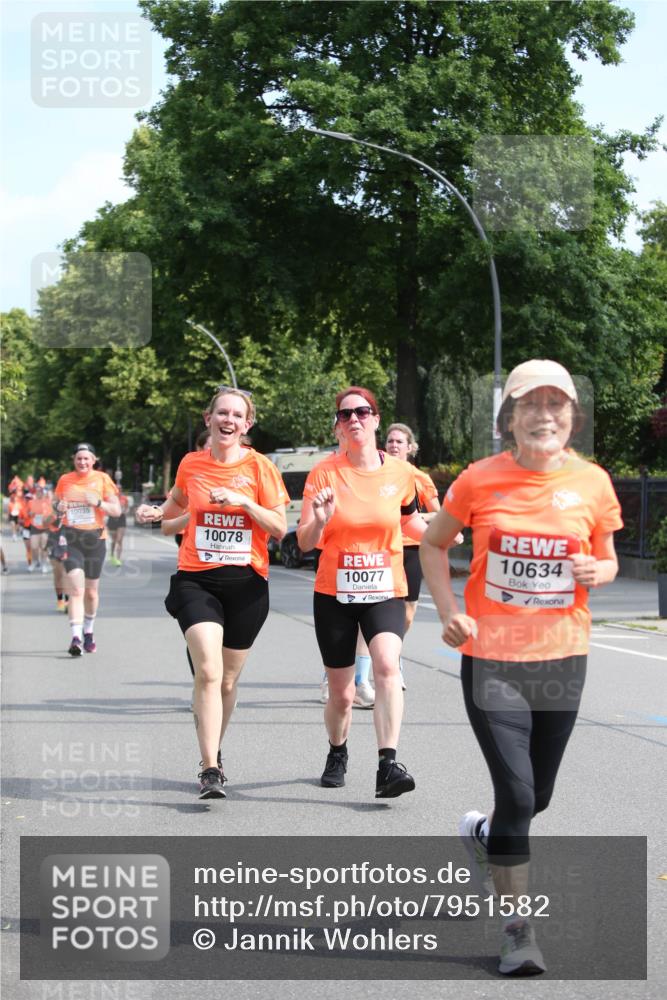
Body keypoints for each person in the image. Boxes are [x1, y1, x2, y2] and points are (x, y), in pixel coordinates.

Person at [420, 359, 622, 976]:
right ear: (509, 418)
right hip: (492, 660)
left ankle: (486, 836)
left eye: (555, 404)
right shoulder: (479, 480)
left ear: (572, 417)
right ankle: (517, 931)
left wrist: (597, 571)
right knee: (516, 793)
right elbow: (432, 543)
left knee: (539, 797)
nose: (543, 415)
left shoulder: (592, 483)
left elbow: (609, 558)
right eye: (529, 404)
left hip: (562, 656)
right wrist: (449, 612)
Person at [136, 388, 288, 799]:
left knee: (227, 681)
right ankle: (209, 768)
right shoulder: (191, 463)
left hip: (247, 585)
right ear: (209, 418)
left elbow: (279, 527)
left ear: (247, 424)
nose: (228, 420)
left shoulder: (260, 468)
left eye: (237, 415)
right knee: (208, 670)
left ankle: (214, 747)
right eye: (222, 412)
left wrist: (243, 502)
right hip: (196, 580)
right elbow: (175, 506)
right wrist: (156, 513)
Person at [298, 386, 429, 799]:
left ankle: (388, 765)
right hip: (334, 592)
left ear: (375, 419)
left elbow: (409, 521)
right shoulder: (324, 473)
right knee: (342, 694)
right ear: (338, 425)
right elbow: (304, 541)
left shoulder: (401, 473)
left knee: (387, 666)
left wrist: (443, 534)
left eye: (362, 412)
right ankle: (337, 750)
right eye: (345, 414)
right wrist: (320, 520)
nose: (354, 419)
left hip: (385, 587)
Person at [385, 422, 442, 688]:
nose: (394, 445)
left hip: (411, 547)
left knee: (407, 613)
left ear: (410, 448)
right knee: (377, 606)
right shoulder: (377, 473)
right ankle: (375, 661)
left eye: (399, 442)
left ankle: (394, 654)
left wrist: (413, 518)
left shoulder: (420, 478)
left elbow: (439, 514)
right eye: (390, 441)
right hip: (383, 547)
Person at [54, 444, 121, 655]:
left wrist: (99, 502)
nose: (82, 462)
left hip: (95, 541)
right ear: (74, 460)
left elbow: (117, 510)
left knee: (91, 593)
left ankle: (88, 632)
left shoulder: (102, 479)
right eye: (79, 458)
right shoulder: (65, 480)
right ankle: (76, 638)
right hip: (71, 539)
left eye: (86, 458)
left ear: (93, 460)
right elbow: (57, 508)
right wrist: (59, 508)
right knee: (76, 590)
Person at [26, 483, 52, 573]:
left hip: (45, 527)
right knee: (34, 546)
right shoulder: (31, 502)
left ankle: (44, 564)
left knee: (44, 546)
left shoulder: (47, 501)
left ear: (43, 492)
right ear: (35, 493)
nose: (39, 493)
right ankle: (35, 562)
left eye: (40, 492)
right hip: (35, 526)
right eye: (37, 492)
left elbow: (52, 513)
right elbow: (27, 513)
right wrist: (30, 514)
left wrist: (47, 518)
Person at [107, 492, 129, 566]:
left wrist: (125, 511)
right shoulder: (110, 498)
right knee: (114, 540)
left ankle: (118, 559)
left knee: (119, 540)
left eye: (119, 488)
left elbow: (127, 508)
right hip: (112, 519)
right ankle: (112, 555)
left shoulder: (124, 498)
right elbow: (106, 508)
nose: (118, 490)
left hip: (121, 519)